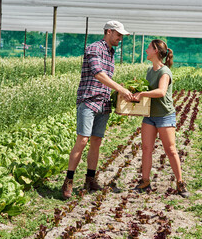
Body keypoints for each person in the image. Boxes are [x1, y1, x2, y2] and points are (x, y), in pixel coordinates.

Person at [62, 21, 133, 199]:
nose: (120, 38)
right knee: (83, 140)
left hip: (103, 103)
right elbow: (98, 73)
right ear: (108, 32)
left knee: (96, 141)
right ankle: (69, 180)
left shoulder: (111, 52)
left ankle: (90, 179)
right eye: (118, 34)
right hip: (89, 100)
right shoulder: (94, 48)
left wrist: (121, 91)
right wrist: (120, 89)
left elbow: (106, 79)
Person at [132, 39, 189, 198]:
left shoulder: (165, 72)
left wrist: (142, 94)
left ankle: (180, 183)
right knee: (146, 149)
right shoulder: (150, 71)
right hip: (150, 116)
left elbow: (161, 92)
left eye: (149, 48)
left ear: (156, 50)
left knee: (170, 150)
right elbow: (149, 91)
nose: (146, 50)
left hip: (164, 116)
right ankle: (145, 182)